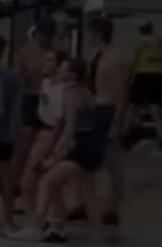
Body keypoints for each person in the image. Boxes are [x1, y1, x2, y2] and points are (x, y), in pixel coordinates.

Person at [14, 58, 106, 247]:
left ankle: (36, 227)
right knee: (89, 195)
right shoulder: (88, 92)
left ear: (72, 74)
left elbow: (69, 128)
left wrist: (54, 155)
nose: (60, 71)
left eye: (64, 69)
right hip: (93, 145)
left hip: (79, 146)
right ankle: (98, 242)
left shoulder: (70, 93)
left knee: (47, 181)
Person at [68, 17, 132, 227]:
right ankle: (84, 203)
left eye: (92, 33)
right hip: (95, 109)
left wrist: (117, 121)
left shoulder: (117, 59)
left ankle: (113, 210)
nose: (89, 37)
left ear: (100, 33)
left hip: (109, 110)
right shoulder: (97, 56)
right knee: (85, 161)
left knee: (113, 164)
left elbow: (122, 93)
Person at [18, 50, 69, 229]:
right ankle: (46, 220)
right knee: (46, 184)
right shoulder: (45, 83)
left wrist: (53, 147)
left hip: (52, 135)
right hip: (43, 131)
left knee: (34, 180)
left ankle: (41, 222)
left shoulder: (64, 89)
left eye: (49, 60)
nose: (44, 63)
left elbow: (60, 120)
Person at [14, 19, 57, 194]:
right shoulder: (24, 52)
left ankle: (40, 180)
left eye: (50, 37)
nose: (47, 41)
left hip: (49, 98)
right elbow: (19, 78)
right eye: (45, 37)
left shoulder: (54, 52)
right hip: (31, 98)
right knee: (24, 143)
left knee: (48, 144)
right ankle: (17, 182)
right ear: (38, 34)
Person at [0, 33, 23, 231]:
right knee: (7, 178)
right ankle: (8, 220)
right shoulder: (12, 75)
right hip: (6, 132)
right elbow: (17, 107)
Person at [129, 22, 162, 150]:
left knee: (132, 108)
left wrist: (130, 77)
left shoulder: (140, 43)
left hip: (143, 75)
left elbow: (134, 61)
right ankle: (160, 137)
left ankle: (128, 136)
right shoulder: (159, 42)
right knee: (156, 110)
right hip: (158, 76)